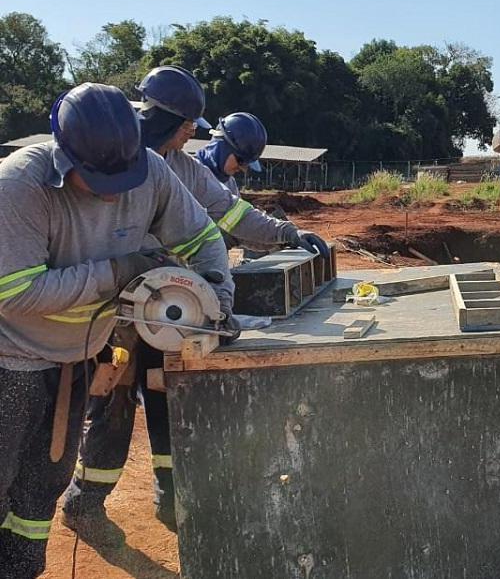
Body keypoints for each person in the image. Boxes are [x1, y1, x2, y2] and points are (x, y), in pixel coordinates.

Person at [63, 67, 328, 538]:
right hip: (118, 309)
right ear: (163, 118)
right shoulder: (108, 160)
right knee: (114, 400)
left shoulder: (179, 168)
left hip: (175, 306)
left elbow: (229, 211)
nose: (191, 135)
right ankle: (87, 501)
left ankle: (170, 490)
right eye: (186, 126)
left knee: (169, 393)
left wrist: (286, 231)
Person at [0, 83, 233, 579]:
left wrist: (216, 299)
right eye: (98, 178)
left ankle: (21, 569)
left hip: (74, 360)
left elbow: (201, 238)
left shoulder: (151, 170)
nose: (112, 191)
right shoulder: (19, 186)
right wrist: (118, 270)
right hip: (9, 362)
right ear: (65, 155)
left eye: (122, 176)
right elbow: (13, 293)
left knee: (45, 484)